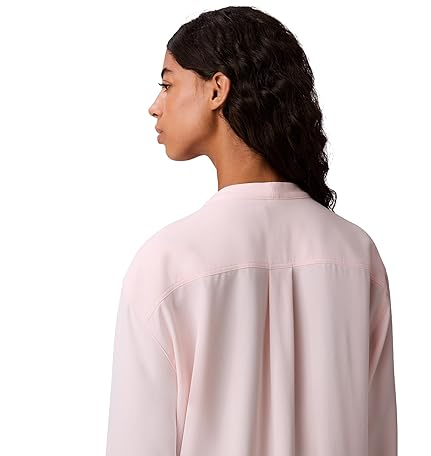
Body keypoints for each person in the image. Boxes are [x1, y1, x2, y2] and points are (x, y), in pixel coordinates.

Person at [105, 6, 397, 456]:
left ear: (216, 89)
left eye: (167, 84)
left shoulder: (167, 263)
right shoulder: (358, 256)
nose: (155, 105)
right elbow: (379, 440)